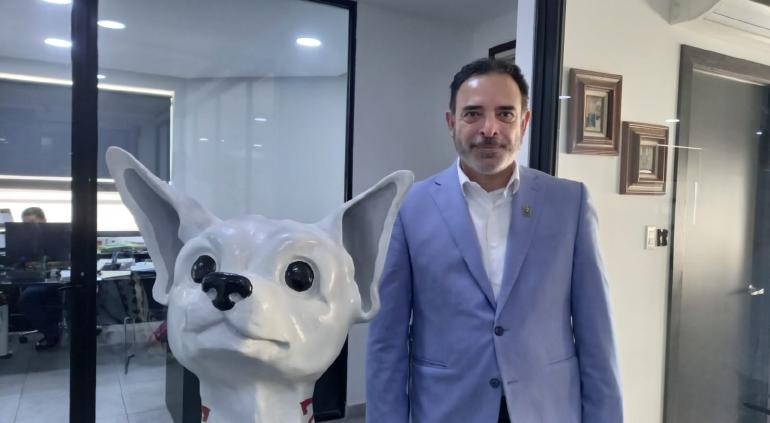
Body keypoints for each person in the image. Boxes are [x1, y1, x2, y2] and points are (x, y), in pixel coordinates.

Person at [366, 59, 622, 422]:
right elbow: (386, 342)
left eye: (505, 114)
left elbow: (597, 335)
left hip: (546, 408)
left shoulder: (569, 203)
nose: (490, 129)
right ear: (451, 122)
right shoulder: (409, 207)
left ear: (524, 122)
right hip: (448, 409)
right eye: (473, 114)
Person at [17, 207, 62, 350]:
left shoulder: (59, 234)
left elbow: (67, 258)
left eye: (32, 222)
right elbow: (18, 261)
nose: (29, 227)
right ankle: (52, 332)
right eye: (26, 224)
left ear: (44, 220)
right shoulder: (23, 239)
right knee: (27, 299)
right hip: (36, 278)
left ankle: (60, 332)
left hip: (60, 276)